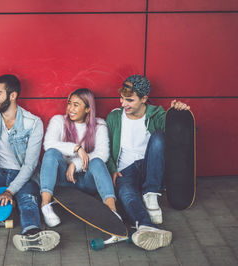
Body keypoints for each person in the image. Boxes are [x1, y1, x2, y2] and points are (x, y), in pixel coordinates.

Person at [0, 74, 60, 252]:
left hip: (21, 175)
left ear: (13, 95)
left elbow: (30, 166)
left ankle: (32, 234)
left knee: (27, 200)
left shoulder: (33, 123)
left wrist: (10, 191)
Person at [106, 74, 190, 251]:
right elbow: (105, 147)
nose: (123, 104)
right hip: (125, 171)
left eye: (129, 100)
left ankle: (151, 194)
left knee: (159, 137)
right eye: (122, 98)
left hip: (150, 168)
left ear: (144, 99)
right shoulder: (114, 117)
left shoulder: (156, 114)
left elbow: (177, 133)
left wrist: (178, 114)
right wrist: (112, 169)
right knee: (127, 194)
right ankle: (146, 227)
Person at [40, 88, 118, 228]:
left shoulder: (99, 125)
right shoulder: (58, 121)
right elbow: (48, 144)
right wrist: (77, 148)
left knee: (97, 162)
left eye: (76, 105)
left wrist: (75, 164)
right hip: (64, 179)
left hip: (87, 181)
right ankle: (45, 206)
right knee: (51, 153)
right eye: (69, 103)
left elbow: (103, 153)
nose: (70, 108)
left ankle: (112, 211)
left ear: (88, 108)